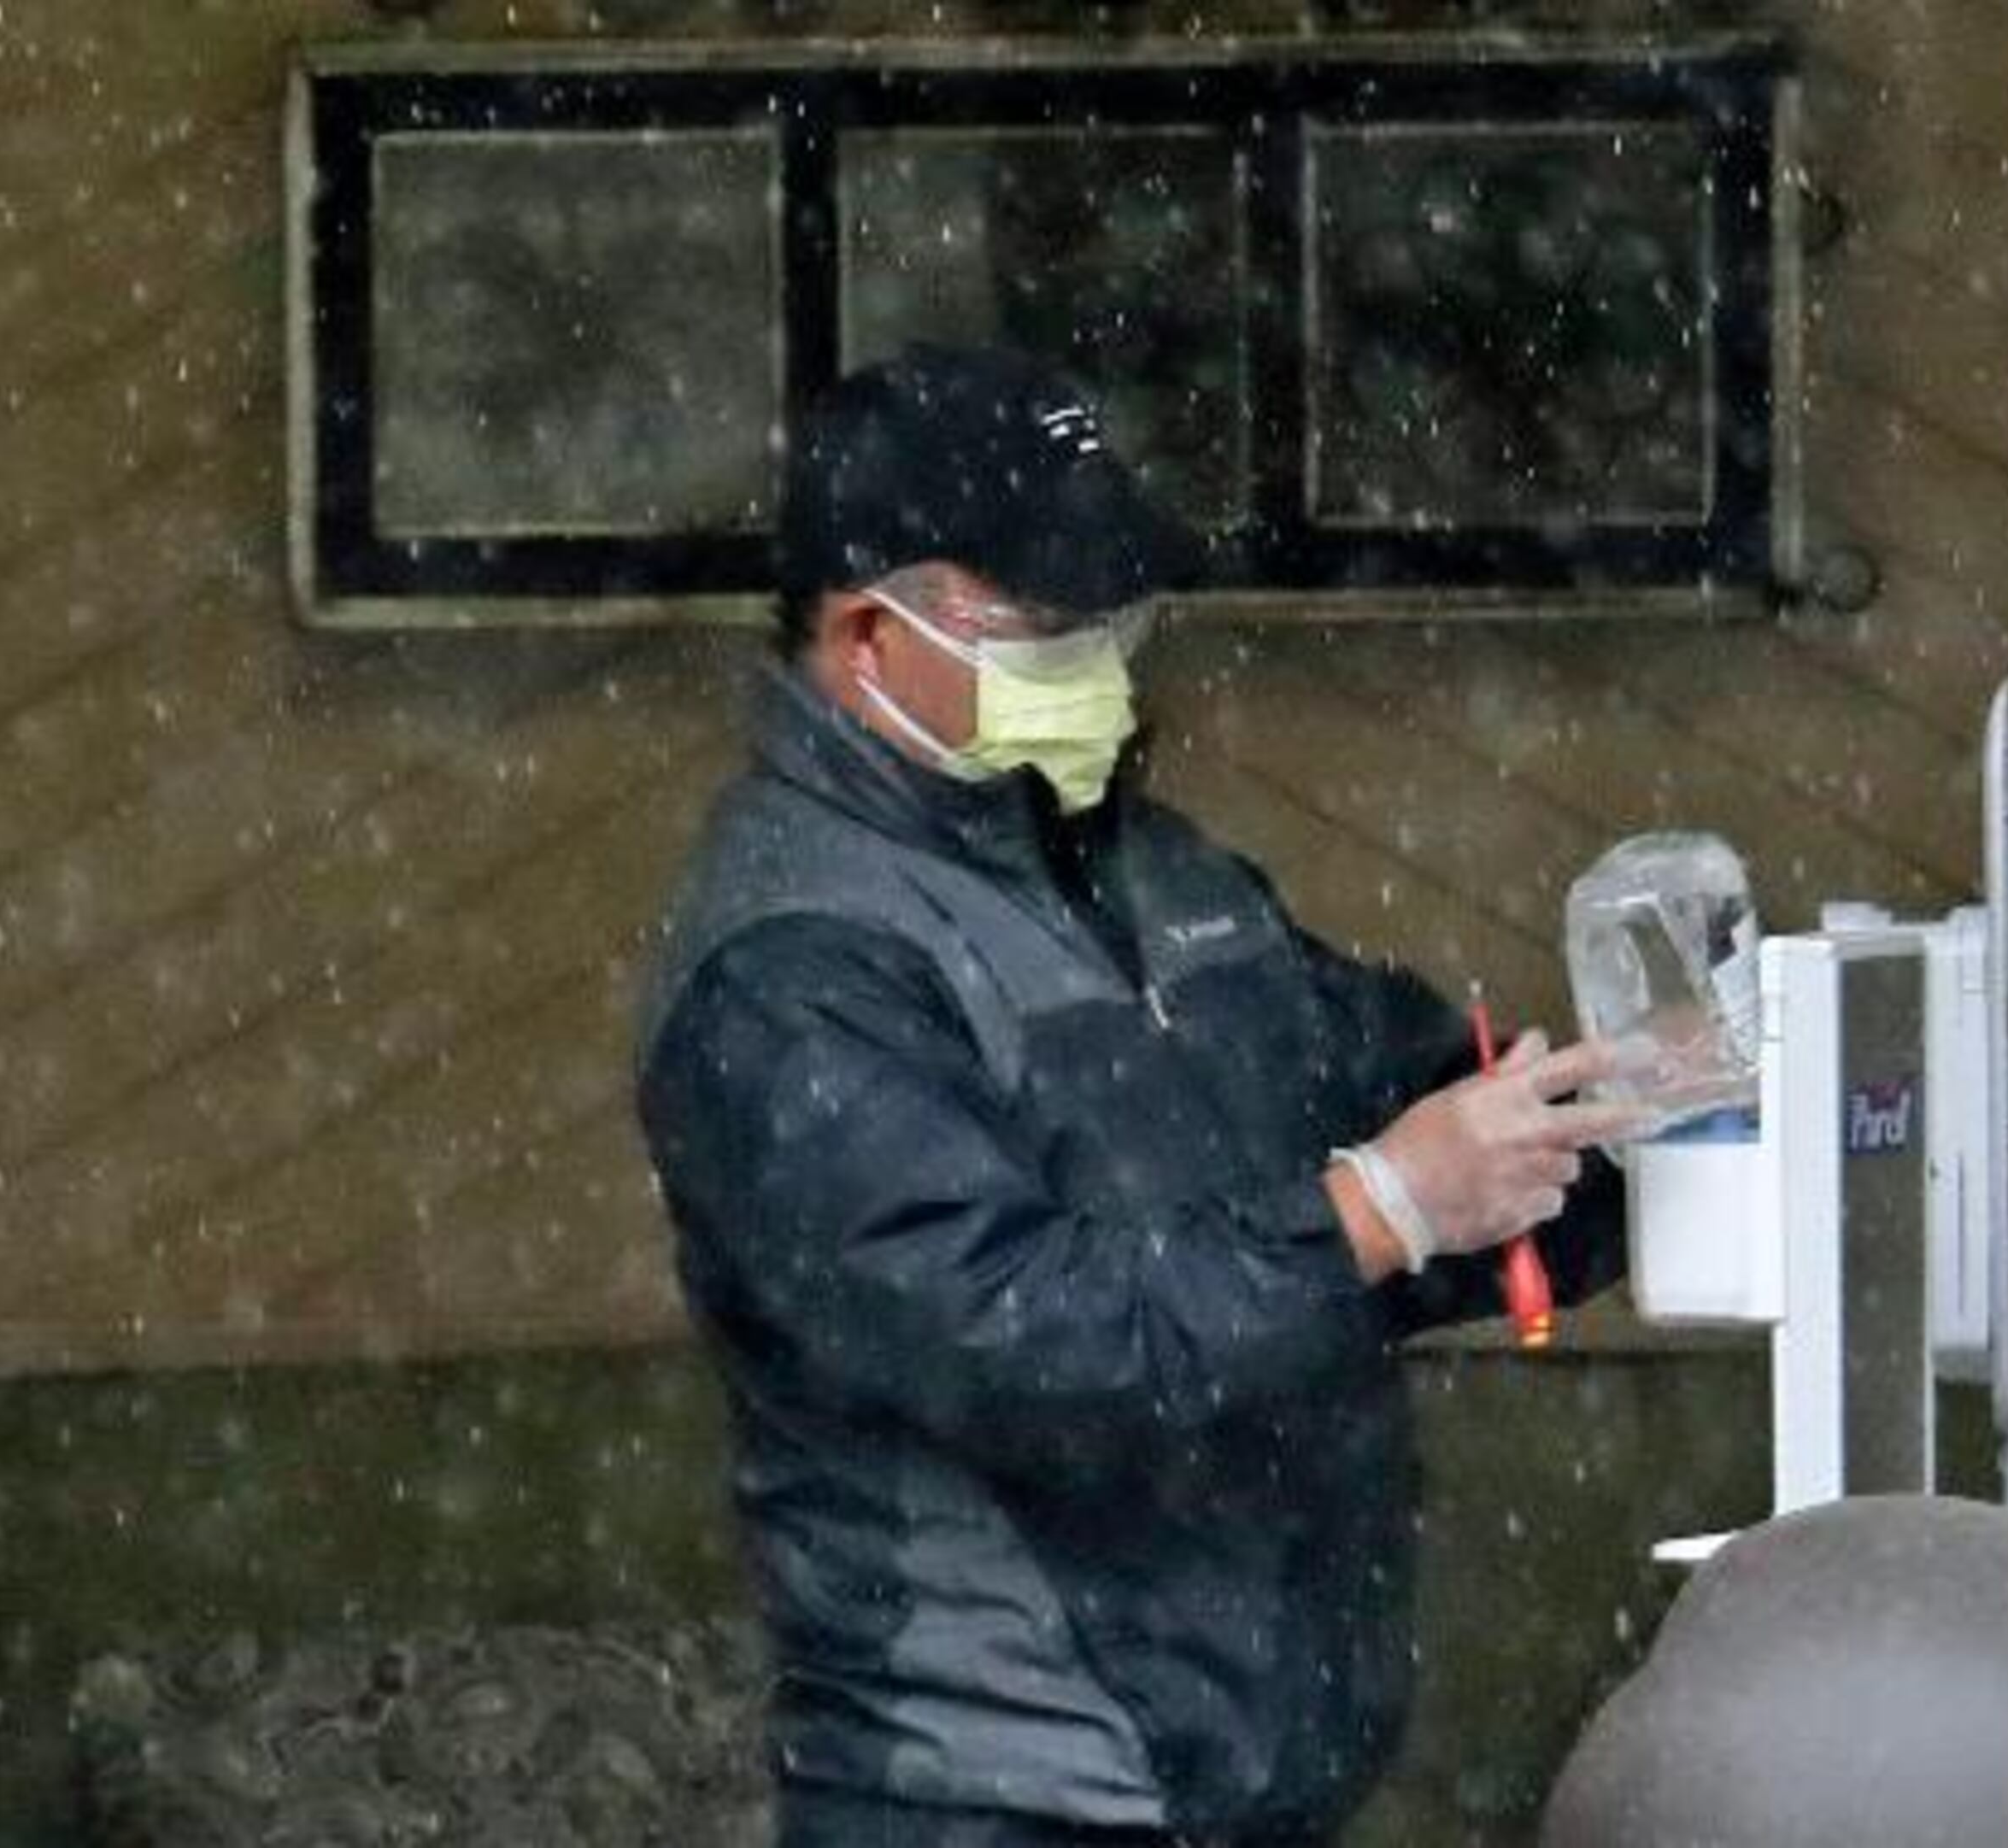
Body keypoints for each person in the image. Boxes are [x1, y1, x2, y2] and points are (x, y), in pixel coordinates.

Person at [637, 345, 1638, 1847]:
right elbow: (1028, 1343)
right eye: (1048, 625)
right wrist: (1379, 1208)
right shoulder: (792, 969)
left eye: (1117, 614)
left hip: (1259, 1773)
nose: (1100, 657)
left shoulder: (1155, 873)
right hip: (1001, 1791)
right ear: (865, 635)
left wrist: (1616, 1126)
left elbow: (1385, 1099)